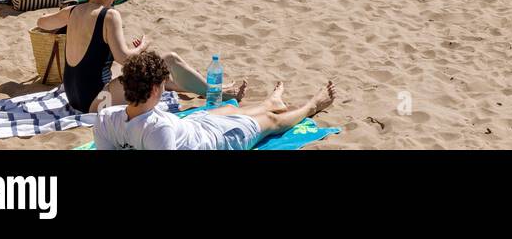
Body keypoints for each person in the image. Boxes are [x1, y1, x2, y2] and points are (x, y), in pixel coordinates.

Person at [38, 0, 238, 112]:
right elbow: (124, 59)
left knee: (153, 73)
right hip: (97, 100)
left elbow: (42, 23)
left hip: (74, 97)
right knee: (168, 60)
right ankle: (219, 94)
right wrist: (143, 47)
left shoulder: (71, 11)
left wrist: (57, 17)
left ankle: (207, 88)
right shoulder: (110, 15)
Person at [92, 51, 335, 150]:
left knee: (230, 108)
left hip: (192, 125)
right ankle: (313, 104)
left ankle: (271, 101)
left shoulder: (105, 118)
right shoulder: (157, 129)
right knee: (270, 122)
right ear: (156, 89)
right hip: (215, 140)